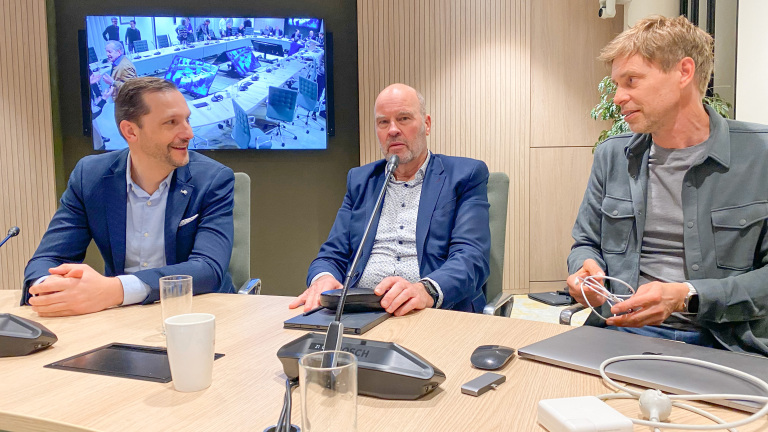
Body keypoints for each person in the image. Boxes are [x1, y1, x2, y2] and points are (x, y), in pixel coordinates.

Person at [566, 15, 768, 356]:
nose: (617, 97)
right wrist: (585, 269)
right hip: (617, 334)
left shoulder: (760, 155)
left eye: (631, 80)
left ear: (684, 73)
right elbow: (585, 243)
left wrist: (686, 297)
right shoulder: (612, 156)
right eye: (616, 83)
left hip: (725, 345)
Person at [22, 77, 235, 316]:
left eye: (187, 120)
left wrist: (113, 290)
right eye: (171, 122)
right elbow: (49, 258)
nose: (188, 133)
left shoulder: (213, 179)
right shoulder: (90, 176)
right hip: (120, 316)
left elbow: (207, 268)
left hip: (198, 313)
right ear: (130, 131)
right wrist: (49, 291)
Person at [290, 84, 491, 316]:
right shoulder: (360, 180)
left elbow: (471, 256)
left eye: (403, 118)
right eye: (383, 122)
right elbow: (332, 254)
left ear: (426, 124)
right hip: (360, 310)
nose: (393, 130)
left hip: (432, 310)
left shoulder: (465, 175)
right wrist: (323, 279)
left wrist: (426, 290)